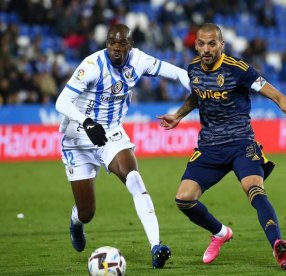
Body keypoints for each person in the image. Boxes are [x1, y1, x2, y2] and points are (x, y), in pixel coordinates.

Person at [157, 23, 286, 270]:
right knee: (184, 199)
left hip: (241, 143)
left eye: (211, 44)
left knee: (254, 190)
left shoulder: (239, 69)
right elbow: (197, 94)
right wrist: (178, 115)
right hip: (209, 146)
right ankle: (220, 233)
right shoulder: (193, 68)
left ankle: (278, 244)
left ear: (221, 45)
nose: (205, 49)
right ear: (195, 44)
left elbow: (277, 96)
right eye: (201, 44)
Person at [55, 23, 191, 268]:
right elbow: (62, 101)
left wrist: (197, 90)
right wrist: (86, 122)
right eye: (112, 44)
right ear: (106, 44)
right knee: (87, 212)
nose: (116, 49)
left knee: (134, 179)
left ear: (130, 45)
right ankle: (76, 223)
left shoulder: (139, 61)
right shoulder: (91, 65)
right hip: (78, 136)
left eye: (121, 44)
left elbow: (178, 73)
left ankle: (156, 246)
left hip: (110, 133)